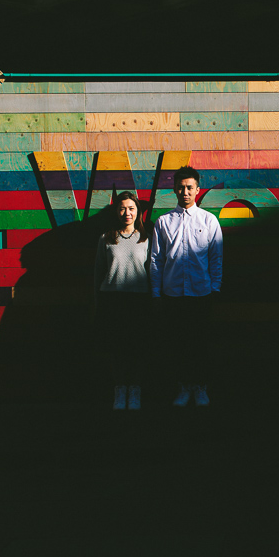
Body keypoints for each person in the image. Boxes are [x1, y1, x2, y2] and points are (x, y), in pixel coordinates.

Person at [150, 165, 223, 406]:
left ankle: (201, 388)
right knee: (177, 345)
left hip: (201, 293)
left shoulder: (209, 220)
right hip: (172, 295)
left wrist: (215, 289)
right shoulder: (163, 222)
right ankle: (183, 388)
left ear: (198, 190)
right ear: (174, 189)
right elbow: (156, 259)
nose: (185, 192)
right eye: (180, 188)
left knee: (200, 345)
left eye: (189, 187)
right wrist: (156, 293)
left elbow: (216, 258)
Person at [94, 191, 151, 410]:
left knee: (137, 347)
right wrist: (97, 301)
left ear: (138, 212)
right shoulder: (106, 238)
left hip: (138, 300)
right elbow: (98, 271)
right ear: (116, 212)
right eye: (122, 208)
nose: (127, 213)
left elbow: (152, 270)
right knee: (116, 348)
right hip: (112, 299)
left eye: (131, 208)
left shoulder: (146, 238)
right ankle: (119, 390)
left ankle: (134, 390)